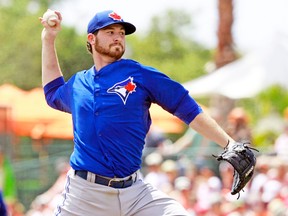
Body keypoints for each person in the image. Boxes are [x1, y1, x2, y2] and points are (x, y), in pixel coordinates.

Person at [40, 9, 237, 216]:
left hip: (135, 193)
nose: (118, 37)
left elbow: (188, 108)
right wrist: (48, 38)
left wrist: (230, 144)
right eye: (110, 32)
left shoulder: (140, 75)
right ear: (91, 38)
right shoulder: (79, 84)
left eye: (122, 33)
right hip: (85, 195)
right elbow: (52, 92)